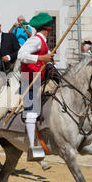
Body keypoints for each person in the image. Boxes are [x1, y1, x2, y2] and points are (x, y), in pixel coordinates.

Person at [17, 13, 55, 161]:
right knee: (32, 112)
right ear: (47, 28)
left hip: (39, 77)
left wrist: (50, 61)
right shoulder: (36, 40)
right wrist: (41, 58)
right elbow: (21, 54)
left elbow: (46, 58)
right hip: (29, 78)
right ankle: (32, 147)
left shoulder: (42, 41)